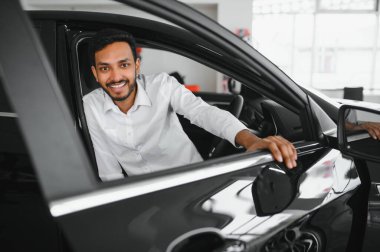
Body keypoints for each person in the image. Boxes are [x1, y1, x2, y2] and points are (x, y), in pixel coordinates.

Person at [83, 29, 297, 181]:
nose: (115, 76)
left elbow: (202, 112)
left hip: (192, 183)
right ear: (95, 73)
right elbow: (109, 171)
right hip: (142, 196)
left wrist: (251, 140)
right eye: (105, 68)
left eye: (124, 65)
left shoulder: (162, 85)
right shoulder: (90, 105)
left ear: (137, 66)